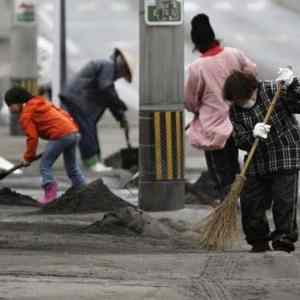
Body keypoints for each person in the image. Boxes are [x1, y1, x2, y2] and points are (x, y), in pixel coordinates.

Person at [223, 68, 300, 253]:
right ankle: (258, 239)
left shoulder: (272, 90)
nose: (241, 103)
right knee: (251, 200)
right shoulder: (235, 111)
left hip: (285, 152)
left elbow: (297, 104)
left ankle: (283, 238)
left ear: (250, 90)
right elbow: (240, 140)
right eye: (237, 101)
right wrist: (252, 134)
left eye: (242, 99)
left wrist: (293, 85)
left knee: (284, 199)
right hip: (257, 158)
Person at [184, 13, 256, 201]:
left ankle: (229, 208)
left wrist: (198, 108)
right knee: (238, 169)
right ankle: (241, 203)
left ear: (196, 43)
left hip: (214, 129)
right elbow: (251, 72)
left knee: (222, 176)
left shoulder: (197, 67)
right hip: (239, 121)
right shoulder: (234, 54)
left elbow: (190, 101)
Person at [4, 86, 86, 205]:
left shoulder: (26, 114)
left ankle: (50, 195)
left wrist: (27, 158)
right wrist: (73, 131)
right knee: (72, 166)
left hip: (60, 135)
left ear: (18, 102)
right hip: (72, 132)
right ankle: (83, 190)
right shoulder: (40, 102)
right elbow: (62, 113)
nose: (10, 109)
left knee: (45, 165)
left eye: (10, 105)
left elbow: (32, 138)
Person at [60, 48, 133, 172]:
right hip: (79, 99)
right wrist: (121, 105)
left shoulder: (106, 71)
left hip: (78, 99)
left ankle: (94, 160)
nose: (121, 76)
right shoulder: (108, 66)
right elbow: (106, 89)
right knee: (87, 129)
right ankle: (92, 162)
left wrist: (120, 117)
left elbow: (108, 96)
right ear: (122, 66)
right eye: (124, 73)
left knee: (88, 128)